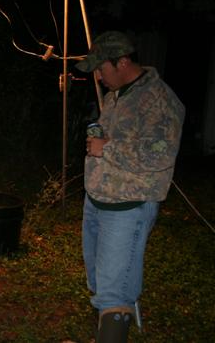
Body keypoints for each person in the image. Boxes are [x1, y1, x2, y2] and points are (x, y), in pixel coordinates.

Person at [75, 31, 185, 342]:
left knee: (114, 291)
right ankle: (104, 326)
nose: (98, 77)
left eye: (101, 69)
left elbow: (160, 155)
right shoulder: (116, 95)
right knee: (101, 280)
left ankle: (113, 325)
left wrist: (107, 148)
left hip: (127, 207)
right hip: (98, 200)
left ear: (122, 62)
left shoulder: (160, 99)